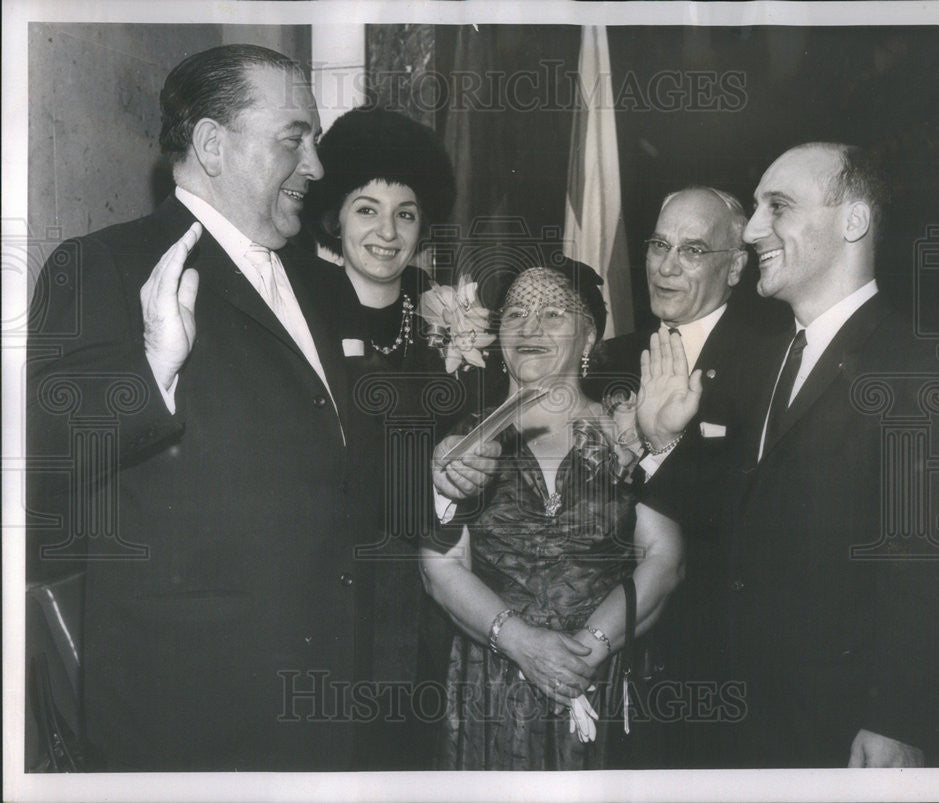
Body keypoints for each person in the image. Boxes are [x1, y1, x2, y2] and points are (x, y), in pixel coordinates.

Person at [27, 45, 375, 770]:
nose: (315, 165)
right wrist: (153, 364)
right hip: (192, 721)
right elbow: (45, 450)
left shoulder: (324, 285)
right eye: (293, 138)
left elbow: (336, 465)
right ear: (214, 144)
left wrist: (429, 478)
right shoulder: (103, 266)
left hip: (326, 699)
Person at [728, 142, 939, 767]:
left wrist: (898, 718)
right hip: (757, 720)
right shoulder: (766, 360)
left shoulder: (915, 367)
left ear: (854, 222)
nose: (753, 229)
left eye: (777, 207)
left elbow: (925, 565)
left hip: (846, 733)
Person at [419, 261, 692, 770]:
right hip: (491, 686)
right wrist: (521, 644)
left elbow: (664, 559)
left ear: (588, 336)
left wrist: (585, 652)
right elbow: (439, 568)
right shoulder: (464, 438)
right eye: (517, 314)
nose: (530, 328)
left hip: (601, 681)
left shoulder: (630, 435)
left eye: (552, 314)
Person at [302, 105, 491, 769]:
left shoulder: (448, 320)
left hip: (420, 603)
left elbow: (469, 466)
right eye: (366, 209)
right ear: (334, 215)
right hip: (322, 594)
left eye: (405, 212)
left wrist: (465, 474)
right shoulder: (301, 308)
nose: (387, 231)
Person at [589, 186, 788, 766]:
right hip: (591, 653)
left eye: (693, 250)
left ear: (735, 267)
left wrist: (658, 445)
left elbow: (743, 522)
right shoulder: (605, 360)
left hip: (707, 668)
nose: (666, 266)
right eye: (658, 244)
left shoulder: (771, 362)